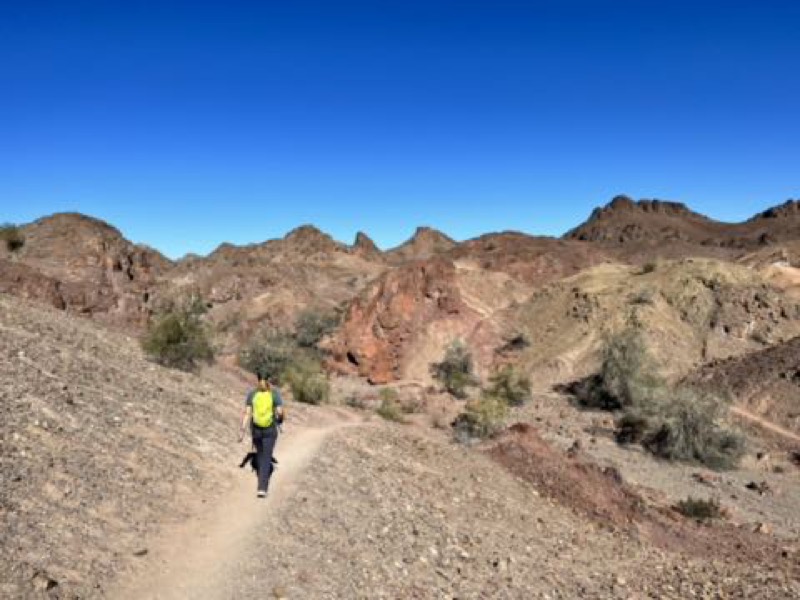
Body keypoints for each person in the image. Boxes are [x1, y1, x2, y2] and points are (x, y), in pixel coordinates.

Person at [238, 372, 284, 498]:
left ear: (258, 379)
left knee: (260, 453)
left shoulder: (252, 394)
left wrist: (242, 430)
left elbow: (247, 413)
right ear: (269, 379)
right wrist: (280, 418)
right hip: (270, 430)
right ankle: (262, 488)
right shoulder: (274, 394)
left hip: (256, 431)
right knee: (266, 458)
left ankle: (260, 471)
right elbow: (280, 412)